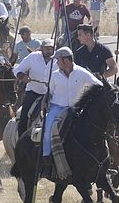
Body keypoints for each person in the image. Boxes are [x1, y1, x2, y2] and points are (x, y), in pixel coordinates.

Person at [40, 47, 102, 177]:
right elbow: (49, 92)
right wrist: (44, 100)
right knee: (47, 129)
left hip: (76, 109)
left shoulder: (82, 72)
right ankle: (46, 159)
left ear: (66, 60)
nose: (56, 63)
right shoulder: (55, 75)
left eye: (58, 60)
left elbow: (98, 85)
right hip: (57, 107)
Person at [14, 39, 55, 136]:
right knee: (24, 114)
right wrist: (23, 76)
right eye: (46, 48)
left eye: (51, 48)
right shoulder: (33, 57)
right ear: (41, 48)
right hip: (34, 92)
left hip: (52, 93)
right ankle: (21, 139)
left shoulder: (58, 59)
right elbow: (17, 70)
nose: (49, 51)